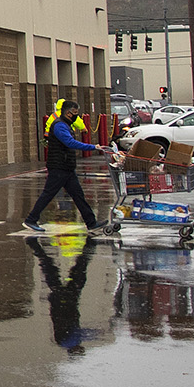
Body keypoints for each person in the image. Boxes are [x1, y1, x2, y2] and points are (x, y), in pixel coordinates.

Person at [24, 99, 119, 233]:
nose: (76, 116)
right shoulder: (60, 126)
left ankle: (91, 223)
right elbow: (70, 143)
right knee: (48, 193)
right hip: (59, 166)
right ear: (68, 113)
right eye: (75, 113)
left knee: (78, 195)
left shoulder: (66, 124)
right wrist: (93, 147)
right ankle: (31, 219)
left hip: (66, 167)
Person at [27, 236, 96, 354]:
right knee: (50, 269)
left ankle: (91, 243)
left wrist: (97, 334)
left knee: (79, 269)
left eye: (81, 349)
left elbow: (81, 333)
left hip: (65, 301)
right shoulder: (63, 341)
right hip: (60, 302)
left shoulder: (70, 341)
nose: (81, 346)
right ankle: (35, 246)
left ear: (75, 350)